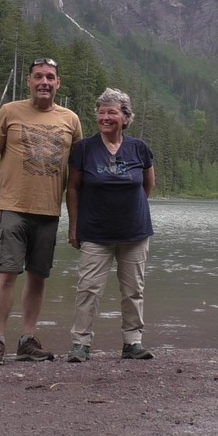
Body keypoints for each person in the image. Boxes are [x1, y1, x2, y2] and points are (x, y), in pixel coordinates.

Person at [0, 58, 83, 366]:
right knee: (6, 273)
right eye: (38, 76)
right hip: (13, 207)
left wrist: (77, 219)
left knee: (38, 276)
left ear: (58, 83)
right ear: (29, 81)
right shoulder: (9, 111)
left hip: (49, 211)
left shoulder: (71, 120)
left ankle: (27, 340)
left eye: (50, 77)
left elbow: (77, 173)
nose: (44, 82)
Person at [64, 88, 156, 362]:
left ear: (125, 118)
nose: (105, 117)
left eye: (112, 112)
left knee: (134, 290)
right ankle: (80, 343)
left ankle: (132, 343)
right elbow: (73, 188)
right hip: (95, 232)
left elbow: (148, 185)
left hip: (135, 232)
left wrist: (129, 209)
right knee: (88, 289)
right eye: (101, 112)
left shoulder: (139, 148)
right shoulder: (84, 149)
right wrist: (74, 226)